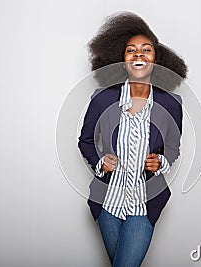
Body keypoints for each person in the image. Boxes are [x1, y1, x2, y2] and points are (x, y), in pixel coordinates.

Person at [78, 12, 187, 267]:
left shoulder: (171, 105)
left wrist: (161, 161)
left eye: (146, 50)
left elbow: (173, 147)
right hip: (108, 202)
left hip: (145, 204)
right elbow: (85, 141)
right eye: (131, 50)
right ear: (122, 60)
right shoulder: (102, 100)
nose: (139, 55)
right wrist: (100, 161)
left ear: (156, 60)